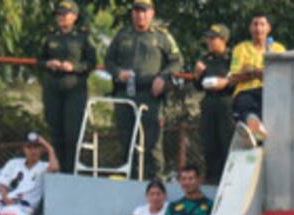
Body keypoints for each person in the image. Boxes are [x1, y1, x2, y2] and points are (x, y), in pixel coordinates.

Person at [104, 1, 182, 180]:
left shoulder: (162, 36)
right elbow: (109, 61)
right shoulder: (122, 35)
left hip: (150, 95)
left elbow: (176, 61)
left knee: (152, 144)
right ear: (132, 14)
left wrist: (163, 77)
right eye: (137, 11)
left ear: (152, 13)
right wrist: (117, 72)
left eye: (145, 11)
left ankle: (155, 184)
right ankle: (130, 181)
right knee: (126, 141)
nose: (141, 15)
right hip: (125, 94)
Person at [38, 1, 97, 174]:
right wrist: (48, 63)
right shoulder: (50, 36)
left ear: (74, 17)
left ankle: (71, 171)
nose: (61, 18)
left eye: (65, 14)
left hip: (74, 90)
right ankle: (59, 169)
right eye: (59, 14)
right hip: (53, 89)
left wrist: (74, 67)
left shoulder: (83, 37)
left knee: (72, 134)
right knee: (55, 132)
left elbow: (91, 63)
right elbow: (39, 60)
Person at [230, 13, 284, 142]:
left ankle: (256, 131)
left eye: (262, 24)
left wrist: (251, 70)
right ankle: (254, 127)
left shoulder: (277, 49)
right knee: (244, 107)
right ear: (250, 28)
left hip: (270, 92)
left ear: (268, 28)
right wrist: (260, 73)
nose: (258, 28)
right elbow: (235, 76)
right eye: (255, 24)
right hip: (245, 92)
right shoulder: (240, 48)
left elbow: (280, 75)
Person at [195, 25, 234, 185]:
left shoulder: (232, 58)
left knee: (227, 142)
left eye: (213, 38)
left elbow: (237, 80)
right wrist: (197, 75)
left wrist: (225, 83)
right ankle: (212, 179)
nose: (209, 42)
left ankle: (229, 179)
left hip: (227, 102)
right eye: (208, 38)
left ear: (223, 40)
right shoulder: (205, 59)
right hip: (209, 103)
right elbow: (197, 86)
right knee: (210, 144)